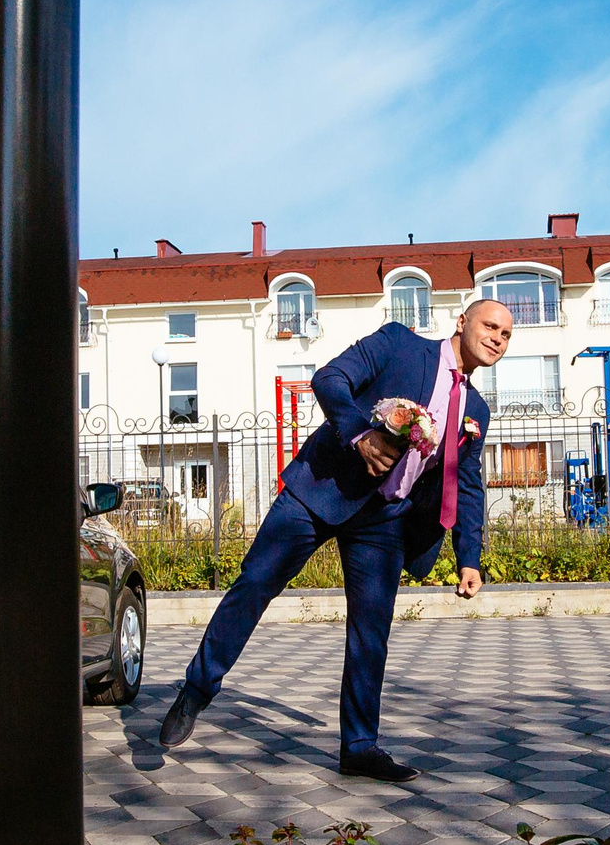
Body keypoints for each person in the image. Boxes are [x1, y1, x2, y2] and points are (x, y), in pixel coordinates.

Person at [156, 298, 513, 780]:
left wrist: (470, 556)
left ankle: (360, 746)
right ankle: (197, 690)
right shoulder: (399, 344)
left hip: (385, 518)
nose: (497, 337)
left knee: (371, 633)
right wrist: (359, 435)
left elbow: (466, 483)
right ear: (463, 321)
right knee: (255, 584)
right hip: (320, 490)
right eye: (490, 325)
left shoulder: (476, 410)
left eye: (507, 334)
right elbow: (329, 378)